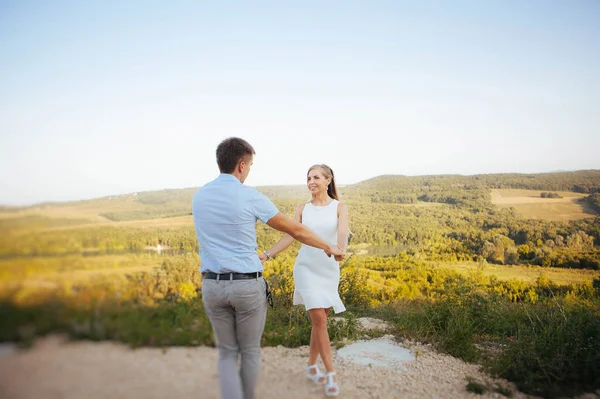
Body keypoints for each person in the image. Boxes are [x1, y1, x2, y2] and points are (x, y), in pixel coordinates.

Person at [192, 138, 344, 399]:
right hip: (245, 286)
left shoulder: (199, 196)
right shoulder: (250, 196)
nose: (249, 170)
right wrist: (328, 247)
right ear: (241, 165)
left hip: (212, 286)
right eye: (250, 165)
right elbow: (293, 230)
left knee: (227, 352)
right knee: (249, 350)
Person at [261, 164, 348, 397]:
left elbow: (342, 231)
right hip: (306, 268)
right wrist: (268, 254)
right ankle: (330, 373)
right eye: (308, 177)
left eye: (316, 177)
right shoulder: (302, 209)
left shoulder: (340, 207)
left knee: (320, 321)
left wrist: (341, 249)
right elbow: (291, 235)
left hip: (329, 269)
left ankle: (311, 366)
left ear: (328, 180)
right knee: (319, 318)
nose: (311, 181)